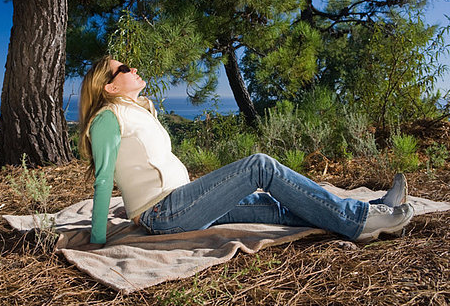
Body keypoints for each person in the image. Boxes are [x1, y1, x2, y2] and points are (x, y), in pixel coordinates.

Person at [78, 56, 414, 247]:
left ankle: (372, 209)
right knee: (260, 167)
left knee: (275, 207)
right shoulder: (107, 118)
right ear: (109, 86)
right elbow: (104, 180)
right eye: (124, 69)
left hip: (183, 203)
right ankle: (359, 223)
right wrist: (96, 241)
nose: (133, 69)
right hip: (165, 213)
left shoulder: (137, 111)